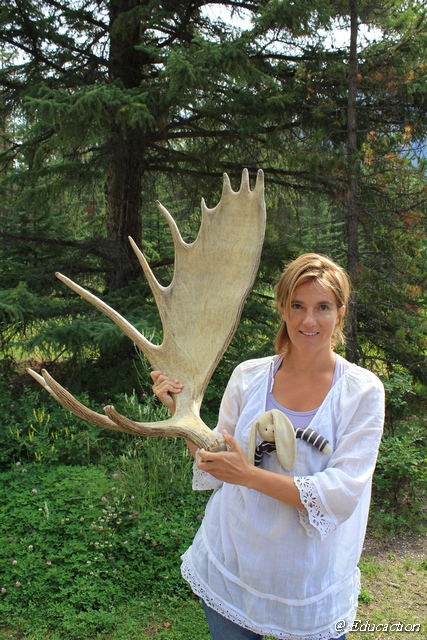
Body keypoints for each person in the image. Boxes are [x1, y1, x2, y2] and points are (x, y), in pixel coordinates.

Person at [151, 253, 385, 640]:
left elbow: (341, 492)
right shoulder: (249, 376)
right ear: (282, 309)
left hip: (309, 581)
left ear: (340, 313)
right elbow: (217, 459)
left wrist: (249, 476)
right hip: (234, 564)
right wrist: (181, 413)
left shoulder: (362, 392)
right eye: (298, 306)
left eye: (323, 307)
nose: (308, 321)